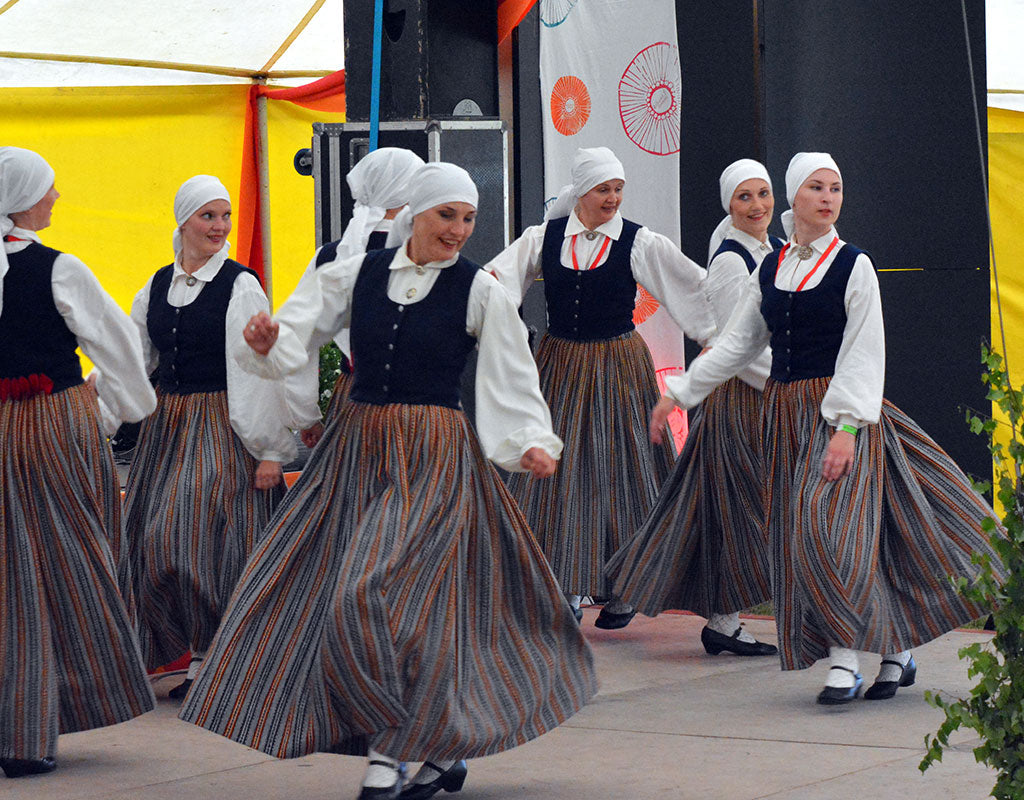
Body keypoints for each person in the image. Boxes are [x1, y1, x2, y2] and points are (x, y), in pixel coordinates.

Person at [179, 162, 597, 800]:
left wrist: (530, 441)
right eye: (446, 216)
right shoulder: (355, 275)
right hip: (356, 452)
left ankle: (394, 750)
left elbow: (512, 374)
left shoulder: (479, 289)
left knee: (374, 595)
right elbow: (294, 336)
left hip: (433, 461)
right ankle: (418, 745)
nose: (458, 230)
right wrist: (268, 342)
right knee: (330, 593)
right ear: (412, 215)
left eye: (467, 219)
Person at [654, 152, 1002, 703]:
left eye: (835, 188)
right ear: (795, 196)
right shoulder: (772, 267)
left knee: (827, 531)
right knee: (814, 539)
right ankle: (897, 650)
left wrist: (845, 428)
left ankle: (845, 657)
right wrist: (681, 392)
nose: (828, 197)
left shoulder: (852, 264)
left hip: (839, 413)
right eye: (816, 187)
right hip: (784, 417)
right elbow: (738, 345)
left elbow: (865, 350)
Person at [486, 146, 717, 628]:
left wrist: (720, 337)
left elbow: (690, 286)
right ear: (582, 192)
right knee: (557, 474)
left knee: (625, 469)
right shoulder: (543, 238)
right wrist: (506, 330)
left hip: (617, 360)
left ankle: (628, 587)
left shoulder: (637, 242)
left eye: (617, 189)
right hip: (562, 361)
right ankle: (562, 585)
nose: (612, 198)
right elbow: (495, 283)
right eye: (602, 189)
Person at [0, 146, 156, 777]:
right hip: (49, 427)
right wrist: (108, 414)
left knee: (11, 571)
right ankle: (33, 727)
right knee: (62, 561)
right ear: (23, 197)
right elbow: (121, 350)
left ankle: (19, 721)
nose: (56, 198)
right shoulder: (58, 269)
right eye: (50, 189)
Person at [124, 175, 295, 699]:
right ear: (183, 220)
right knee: (143, 542)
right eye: (208, 216)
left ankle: (216, 655)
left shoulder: (240, 285)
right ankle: (184, 651)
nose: (220, 226)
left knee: (190, 537)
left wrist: (268, 449)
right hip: (167, 426)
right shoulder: (155, 285)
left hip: (222, 422)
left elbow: (256, 369)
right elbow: (134, 361)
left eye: (224, 216)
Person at [606, 159, 781, 656]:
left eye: (763, 194)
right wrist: (788, 385)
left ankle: (707, 615)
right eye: (744, 197)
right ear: (729, 205)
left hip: (750, 396)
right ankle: (647, 591)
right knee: (734, 508)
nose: (757, 206)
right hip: (741, 400)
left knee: (713, 507)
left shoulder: (768, 250)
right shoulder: (732, 262)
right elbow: (736, 346)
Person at [288, 147, 424, 449]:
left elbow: (298, 339)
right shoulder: (429, 253)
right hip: (422, 406)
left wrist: (306, 415)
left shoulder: (330, 256)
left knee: (352, 488)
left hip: (353, 402)